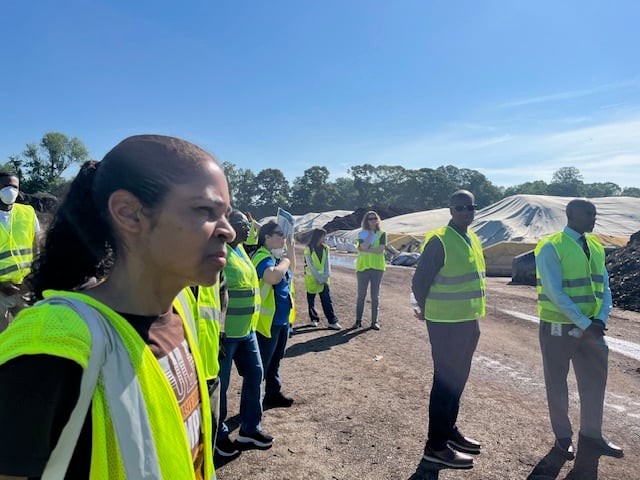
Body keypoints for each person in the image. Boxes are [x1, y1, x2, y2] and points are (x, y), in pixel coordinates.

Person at [0, 134, 235, 479]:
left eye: (226, 214)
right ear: (129, 214)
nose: (228, 230)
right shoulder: (51, 349)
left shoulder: (180, 310)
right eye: (206, 210)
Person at [535, 199, 624, 461]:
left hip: (592, 330)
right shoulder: (551, 246)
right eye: (588, 213)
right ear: (570, 215)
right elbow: (554, 291)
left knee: (595, 383)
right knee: (557, 384)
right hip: (558, 328)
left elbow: (604, 287)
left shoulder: (596, 247)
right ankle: (563, 438)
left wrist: (599, 320)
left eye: (594, 214)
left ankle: (592, 435)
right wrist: (586, 324)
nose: (593, 218)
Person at [411, 190, 484, 470]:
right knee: (445, 382)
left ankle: (449, 430)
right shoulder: (440, 240)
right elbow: (419, 281)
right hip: (446, 324)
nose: (466, 211)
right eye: (461, 207)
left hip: (468, 320)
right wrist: (427, 312)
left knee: (458, 380)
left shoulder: (472, 238)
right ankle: (436, 445)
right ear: (451, 210)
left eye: (471, 207)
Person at [216, 210, 273, 457]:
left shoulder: (241, 250)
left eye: (249, 224)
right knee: (222, 386)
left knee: (255, 374)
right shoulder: (221, 252)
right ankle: (218, 434)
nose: (249, 229)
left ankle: (250, 429)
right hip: (227, 334)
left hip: (247, 331)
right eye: (243, 224)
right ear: (229, 226)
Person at [252, 220, 296, 408]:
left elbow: (291, 268)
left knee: (275, 360)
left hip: (281, 319)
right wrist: (285, 260)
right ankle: (253, 403)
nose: (282, 237)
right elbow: (272, 276)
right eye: (278, 234)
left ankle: (273, 393)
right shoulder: (263, 256)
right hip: (267, 320)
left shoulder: (276, 257)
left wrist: (291, 248)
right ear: (267, 237)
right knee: (263, 363)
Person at [0, 171, 40, 333]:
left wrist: (31, 280)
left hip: (23, 288)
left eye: (14, 186)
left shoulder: (28, 213)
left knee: (29, 333)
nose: (10, 190)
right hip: (0, 291)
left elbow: (36, 247)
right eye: (5, 186)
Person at [353, 210, 386, 330]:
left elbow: (381, 250)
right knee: (361, 295)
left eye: (374, 218)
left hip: (377, 268)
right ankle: (358, 320)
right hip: (363, 268)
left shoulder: (382, 234)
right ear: (366, 221)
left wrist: (366, 249)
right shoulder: (362, 234)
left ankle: (374, 321)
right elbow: (363, 246)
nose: (373, 221)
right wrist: (371, 235)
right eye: (370, 219)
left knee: (375, 296)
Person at [304, 228, 341, 330]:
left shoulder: (326, 248)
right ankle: (313, 319)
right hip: (312, 279)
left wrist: (326, 276)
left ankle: (332, 321)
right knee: (311, 300)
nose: (323, 238)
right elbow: (310, 265)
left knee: (327, 300)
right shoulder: (308, 248)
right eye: (322, 236)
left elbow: (327, 264)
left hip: (324, 280)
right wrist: (318, 277)